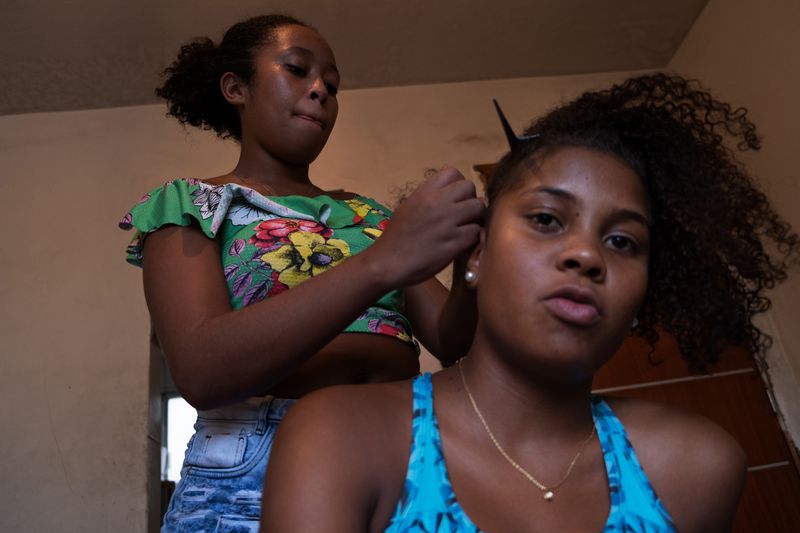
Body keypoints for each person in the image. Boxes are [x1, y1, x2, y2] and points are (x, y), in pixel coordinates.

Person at [260, 73, 799, 532]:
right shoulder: (341, 438)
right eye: (546, 219)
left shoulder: (696, 468)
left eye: (622, 242)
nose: (587, 254)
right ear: (476, 252)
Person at [118, 14, 483, 531]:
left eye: (332, 86)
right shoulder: (191, 204)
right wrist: (380, 263)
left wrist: (473, 269)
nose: (320, 92)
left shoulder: (370, 217)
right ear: (236, 87)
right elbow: (203, 370)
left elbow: (456, 343)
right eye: (297, 70)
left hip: (402, 453)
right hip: (256, 469)